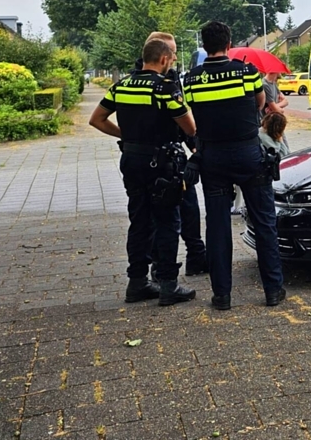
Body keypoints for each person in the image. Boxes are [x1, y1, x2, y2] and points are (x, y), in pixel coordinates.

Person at [182, 21, 285, 311]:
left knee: (217, 226)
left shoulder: (191, 79)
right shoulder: (248, 72)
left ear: (204, 46)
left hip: (212, 158)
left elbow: (194, 111)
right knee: (264, 221)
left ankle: (222, 296)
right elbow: (259, 103)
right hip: (249, 155)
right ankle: (273, 290)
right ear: (229, 45)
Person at [88, 36, 198, 306]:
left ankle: (136, 282)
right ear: (162, 59)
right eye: (171, 58)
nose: (172, 62)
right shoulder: (164, 88)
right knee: (167, 222)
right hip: (162, 164)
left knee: (139, 221)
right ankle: (168, 285)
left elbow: (96, 119)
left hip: (132, 160)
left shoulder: (121, 85)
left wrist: (126, 136)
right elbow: (190, 128)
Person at [135, 33, 207, 279]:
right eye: (172, 52)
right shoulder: (147, 80)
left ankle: (195, 254)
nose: (175, 57)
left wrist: (194, 147)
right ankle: (160, 268)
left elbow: (181, 117)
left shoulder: (172, 77)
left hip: (173, 152)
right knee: (160, 217)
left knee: (189, 205)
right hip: (156, 158)